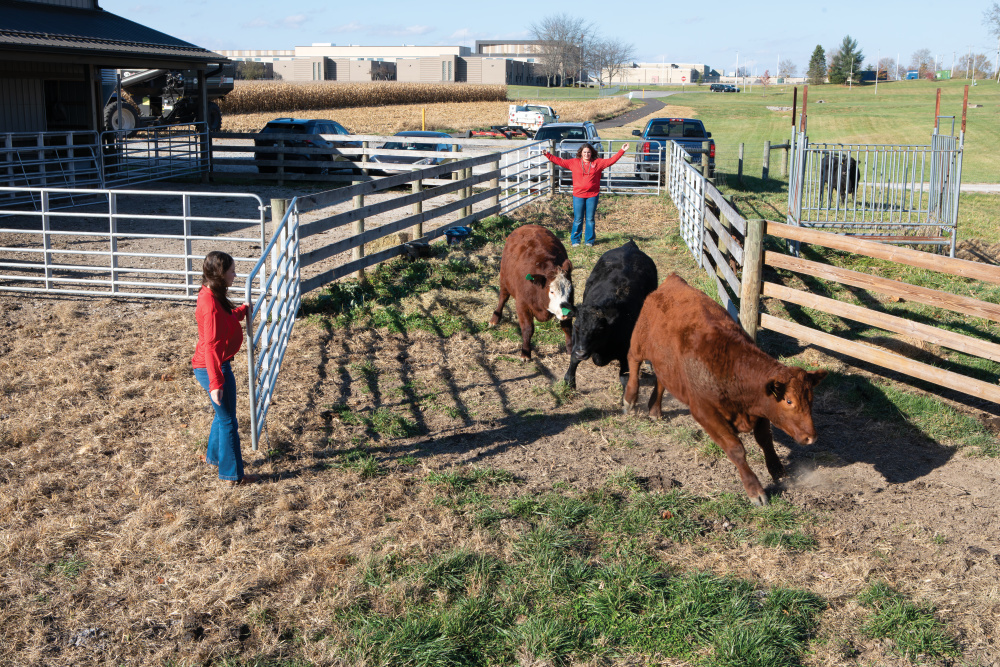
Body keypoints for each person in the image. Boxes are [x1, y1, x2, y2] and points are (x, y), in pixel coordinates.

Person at [191, 251, 258, 485]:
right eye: (232, 271)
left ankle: (215, 457)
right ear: (220, 274)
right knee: (229, 420)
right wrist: (216, 382)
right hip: (215, 367)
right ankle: (232, 475)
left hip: (214, 364)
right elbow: (210, 346)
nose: (235, 274)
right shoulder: (209, 304)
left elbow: (224, 321)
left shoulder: (213, 295)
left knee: (222, 416)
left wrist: (240, 311)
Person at [542, 142, 629, 248]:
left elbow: (611, 161)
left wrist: (622, 150)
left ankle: (589, 241)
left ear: (591, 153)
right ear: (581, 153)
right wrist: (548, 154)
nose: (587, 154)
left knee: (590, 219)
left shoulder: (597, 163)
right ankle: (575, 240)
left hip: (592, 195)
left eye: (588, 152)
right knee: (578, 219)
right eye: (584, 152)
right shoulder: (574, 162)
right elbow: (560, 161)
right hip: (578, 195)